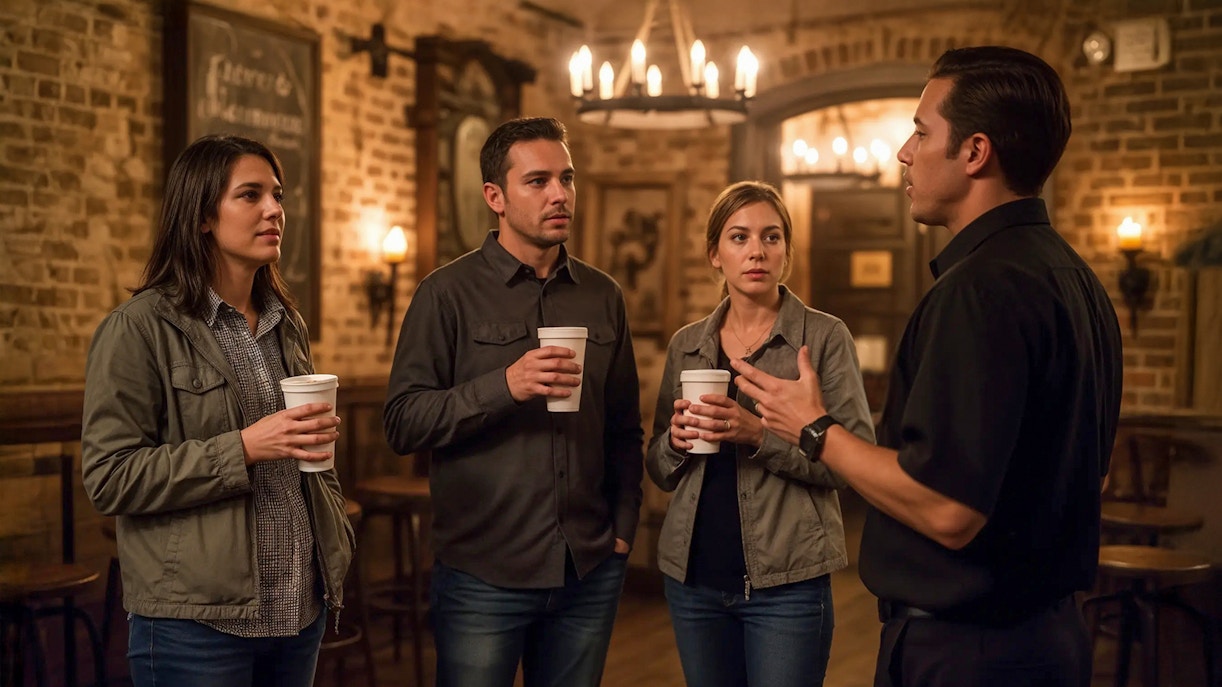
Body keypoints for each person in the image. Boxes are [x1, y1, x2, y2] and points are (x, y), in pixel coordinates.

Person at [731, 46, 1123, 687]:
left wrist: (812, 426)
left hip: (970, 653)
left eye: (920, 132)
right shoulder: (1073, 277)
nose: (904, 153)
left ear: (975, 152)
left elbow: (948, 509)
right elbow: (1091, 475)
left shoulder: (981, 288)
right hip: (1047, 638)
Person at [80, 134, 355, 687]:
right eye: (249, 195)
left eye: (276, 195)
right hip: (196, 623)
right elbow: (109, 478)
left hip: (297, 607)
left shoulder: (286, 322)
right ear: (203, 214)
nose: (274, 209)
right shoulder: (139, 328)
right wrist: (246, 447)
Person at [383, 117, 644, 687]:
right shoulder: (445, 294)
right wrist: (506, 385)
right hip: (483, 571)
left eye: (567, 178)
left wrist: (623, 525)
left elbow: (625, 427)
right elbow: (403, 422)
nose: (560, 194)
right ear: (494, 196)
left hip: (588, 567)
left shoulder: (603, 295)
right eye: (538, 181)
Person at [645, 181, 875, 687]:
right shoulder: (688, 344)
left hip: (787, 584)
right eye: (739, 237)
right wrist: (675, 442)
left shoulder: (822, 337)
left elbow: (853, 467)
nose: (757, 251)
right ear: (714, 254)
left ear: (786, 253)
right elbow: (659, 468)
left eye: (771, 238)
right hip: (693, 580)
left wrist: (759, 436)